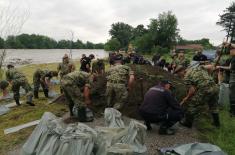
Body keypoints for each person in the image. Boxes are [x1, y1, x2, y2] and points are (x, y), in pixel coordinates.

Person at [216, 43, 235, 116]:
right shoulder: (232, 58)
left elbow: (230, 68)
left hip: (233, 76)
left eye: (231, 50)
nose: (230, 51)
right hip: (232, 76)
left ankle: (233, 112)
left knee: (232, 95)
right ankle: (232, 110)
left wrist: (220, 66)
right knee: (232, 94)